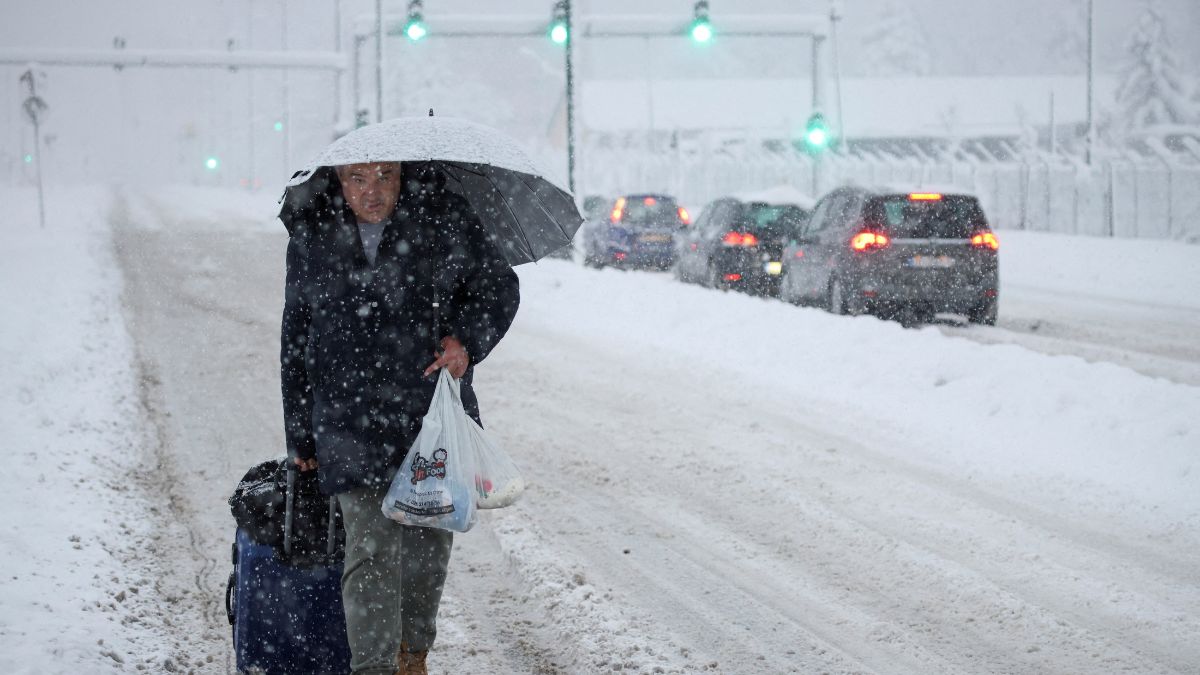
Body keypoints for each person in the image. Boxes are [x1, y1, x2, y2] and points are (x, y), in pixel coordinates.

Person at [280, 160, 520, 675]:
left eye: (385, 176)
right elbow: (295, 335)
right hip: (347, 417)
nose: (372, 191)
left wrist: (465, 342)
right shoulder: (313, 234)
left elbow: (499, 287)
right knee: (370, 549)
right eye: (358, 179)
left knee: (427, 551)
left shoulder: (443, 218)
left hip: (429, 415)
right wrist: (299, 434)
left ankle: (413, 657)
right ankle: (374, 667)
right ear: (338, 181)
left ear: (403, 178)